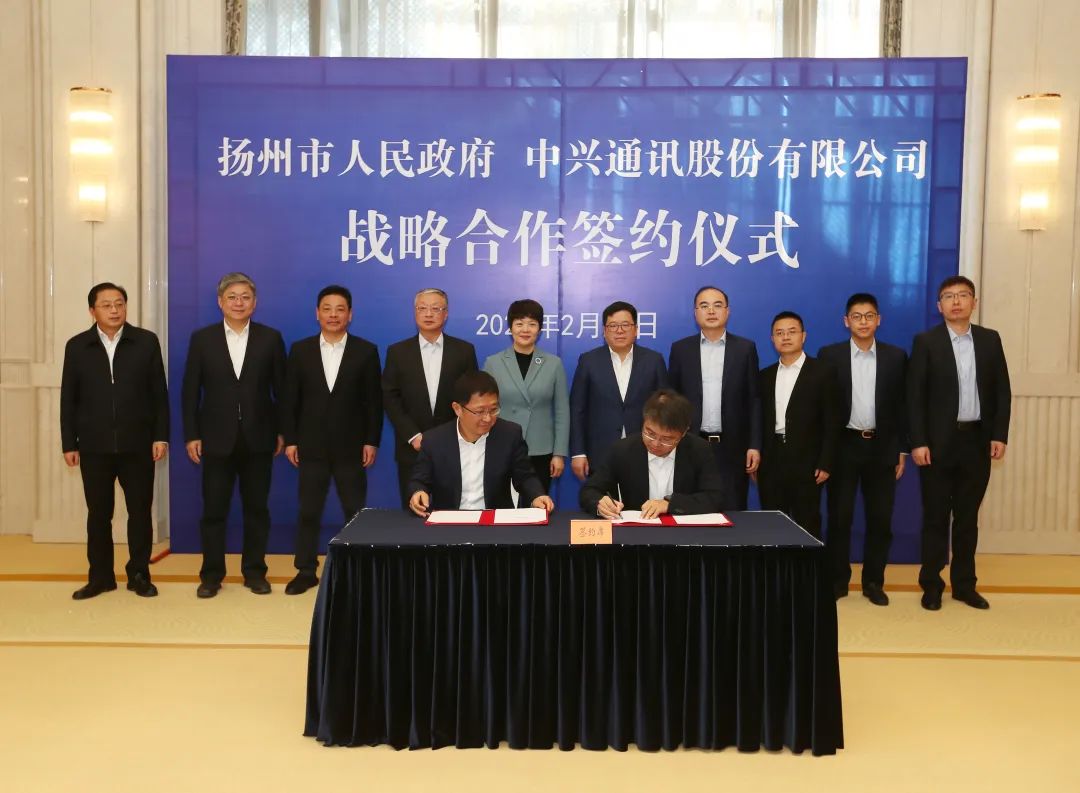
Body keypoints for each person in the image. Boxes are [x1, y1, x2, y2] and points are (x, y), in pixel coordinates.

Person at [908, 275, 1011, 611]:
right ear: (939, 306)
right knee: (935, 518)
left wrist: (999, 434)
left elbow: (1002, 392)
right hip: (937, 445)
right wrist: (918, 441)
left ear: (974, 302)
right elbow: (915, 397)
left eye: (963, 295)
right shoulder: (926, 342)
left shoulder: (990, 340)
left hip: (977, 442)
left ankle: (965, 585)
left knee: (967, 519)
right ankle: (931, 585)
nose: (956, 302)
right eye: (948, 296)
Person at [60, 282, 169, 600]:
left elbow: (159, 395)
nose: (114, 310)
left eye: (119, 303)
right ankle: (100, 577)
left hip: (138, 444)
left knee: (140, 513)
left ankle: (139, 574)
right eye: (106, 305)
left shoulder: (146, 342)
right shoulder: (77, 346)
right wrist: (69, 443)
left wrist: (160, 436)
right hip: (94, 446)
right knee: (98, 514)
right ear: (92, 310)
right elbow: (69, 399)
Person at [181, 272, 286, 598]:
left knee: (257, 510)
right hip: (215, 439)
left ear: (255, 303)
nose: (239, 303)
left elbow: (282, 391)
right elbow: (190, 391)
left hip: (259, 438)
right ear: (220, 302)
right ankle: (211, 575)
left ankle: (255, 572)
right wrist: (191, 434)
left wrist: (282, 431)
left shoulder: (270, 338)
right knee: (214, 511)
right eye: (232, 297)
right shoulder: (203, 339)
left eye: (245, 297)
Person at [281, 285, 382, 595]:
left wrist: (371, 441)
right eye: (327, 308)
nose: (333, 315)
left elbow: (373, 402)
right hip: (310, 446)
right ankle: (305, 570)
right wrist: (291, 440)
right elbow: (290, 400)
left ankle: (357, 570)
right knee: (308, 511)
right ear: (317, 313)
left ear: (350, 314)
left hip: (352, 447)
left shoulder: (366, 351)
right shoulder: (300, 350)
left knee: (354, 511)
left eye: (340, 309)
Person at [817, 293, 908, 605]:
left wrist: (901, 450)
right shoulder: (829, 356)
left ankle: (873, 582)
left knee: (880, 519)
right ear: (846, 321)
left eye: (869, 316)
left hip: (882, 447)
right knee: (839, 519)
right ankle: (837, 581)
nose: (863, 322)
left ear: (879, 320)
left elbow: (903, 408)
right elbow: (824, 408)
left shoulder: (896, 357)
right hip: (844, 446)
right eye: (857, 316)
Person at [407, 371, 555, 516]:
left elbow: (525, 476)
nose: (488, 418)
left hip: (495, 520)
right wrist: (418, 492)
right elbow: (419, 479)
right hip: (450, 520)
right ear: (458, 409)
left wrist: (536, 495)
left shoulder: (509, 434)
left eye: (493, 410)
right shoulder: (434, 440)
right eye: (480, 411)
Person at [667, 285, 762, 510]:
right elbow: (672, 399)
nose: (711, 311)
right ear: (695, 313)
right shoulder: (681, 349)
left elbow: (754, 400)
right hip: (690, 445)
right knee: (689, 511)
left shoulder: (745, 349)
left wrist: (754, 445)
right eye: (704, 306)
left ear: (727, 311)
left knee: (733, 511)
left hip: (733, 447)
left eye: (717, 305)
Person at [382, 288, 478, 507]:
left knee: (453, 513)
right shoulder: (397, 352)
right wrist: (412, 435)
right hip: (411, 448)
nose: (428, 314)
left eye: (436, 309)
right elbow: (390, 397)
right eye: (422, 308)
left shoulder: (464, 351)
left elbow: (470, 399)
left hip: (454, 446)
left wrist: (456, 434)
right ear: (415, 312)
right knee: (415, 512)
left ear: (446, 314)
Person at [580, 389, 733, 519]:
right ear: (644, 422)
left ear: (683, 433)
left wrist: (669, 504)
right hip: (637, 534)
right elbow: (589, 491)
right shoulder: (622, 450)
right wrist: (600, 503)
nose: (655, 444)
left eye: (667, 439)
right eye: (650, 433)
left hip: (685, 535)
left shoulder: (699, 450)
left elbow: (715, 497)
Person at [757, 311, 840, 539]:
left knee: (808, 523)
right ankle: (775, 565)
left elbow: (833, 421)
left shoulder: (823, 372)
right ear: (772, 339)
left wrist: (826, 462)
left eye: (791, 332)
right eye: (779, 333)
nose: (785, 337)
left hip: (808, 461)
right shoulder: (764, 376)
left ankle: (808, 565)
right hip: (772, 459)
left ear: (803, 336)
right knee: (772, 525)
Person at [482, 299, 569, 503]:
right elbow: (484, 407)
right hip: (501, 446)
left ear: (540, 329)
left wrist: (559, 453)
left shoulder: (553, 364)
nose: (525, 329)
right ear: (510, 327)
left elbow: (562, 411)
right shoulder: (493, 363)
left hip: (541, 449)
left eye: (532, 324)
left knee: (537, 506)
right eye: (519, 323)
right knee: (502, 507)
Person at [569, 300, 667, 481]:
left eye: (625, 325)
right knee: (602, 498)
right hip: (599, 452)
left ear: (636, 329)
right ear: (604, 331)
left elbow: (664, 408)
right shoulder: (588, 361)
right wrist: (578, 452)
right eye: (613, 326)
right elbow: (577, 409)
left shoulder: (654, 361)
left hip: (645, 450)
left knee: (641, 499)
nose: (619, 330)